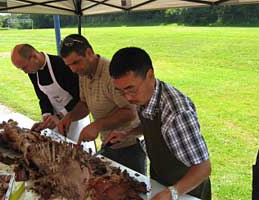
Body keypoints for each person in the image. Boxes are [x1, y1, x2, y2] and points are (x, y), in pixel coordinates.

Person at [106, 47, 211, 200]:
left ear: (150, 75)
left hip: (188, 189)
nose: (127, 98)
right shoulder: (145, 95)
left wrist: (171, 193)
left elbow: (203, 168)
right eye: (120, 91)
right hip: (162, 181)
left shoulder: (177, 112)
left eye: (130, 89)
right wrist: (127, 133)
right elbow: (152, 125)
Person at [58, 34, 146, 174]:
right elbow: (85, 103)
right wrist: (70, 116)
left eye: (76, 63)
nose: (73, 70)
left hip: (129, 146)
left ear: (89, 52)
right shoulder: (84, 73)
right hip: (107, 144)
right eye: (69, 65)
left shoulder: (110, 74)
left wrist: (97, 125)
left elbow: (130, 112)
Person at [11, 44, 95, 152]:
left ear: (34, 57)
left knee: (76, 153)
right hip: (56, 117)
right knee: (56, 153)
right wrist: (46, 116)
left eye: (24, 67)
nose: (25, 72)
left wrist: (61, 115)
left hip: (75, 115)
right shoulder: (33, 72)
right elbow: (42, 97)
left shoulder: (61, 65)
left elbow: (80, 96)